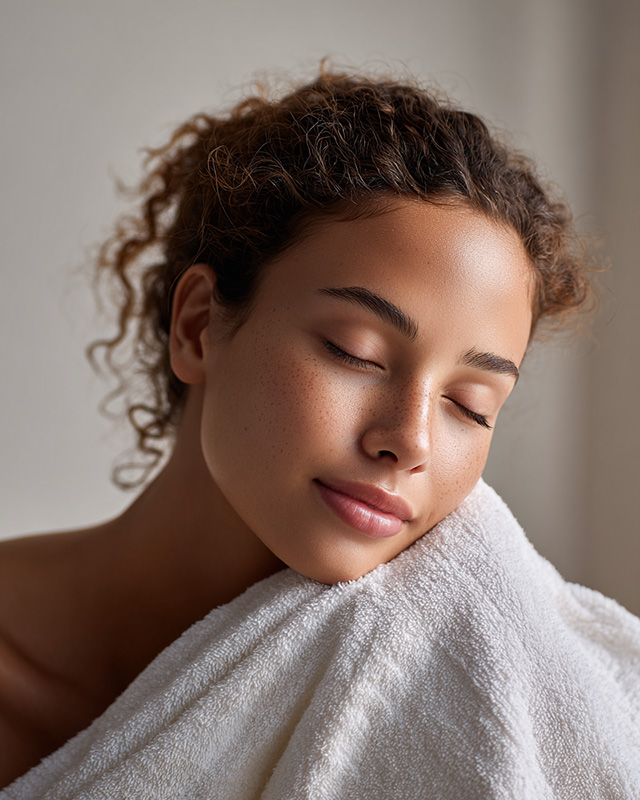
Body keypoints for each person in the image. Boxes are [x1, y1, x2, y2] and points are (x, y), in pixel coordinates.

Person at [0, 64, 595, 787]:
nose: (410, 441)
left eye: (472, 406)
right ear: (196, 327)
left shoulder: (469, 670)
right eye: (355, 352)